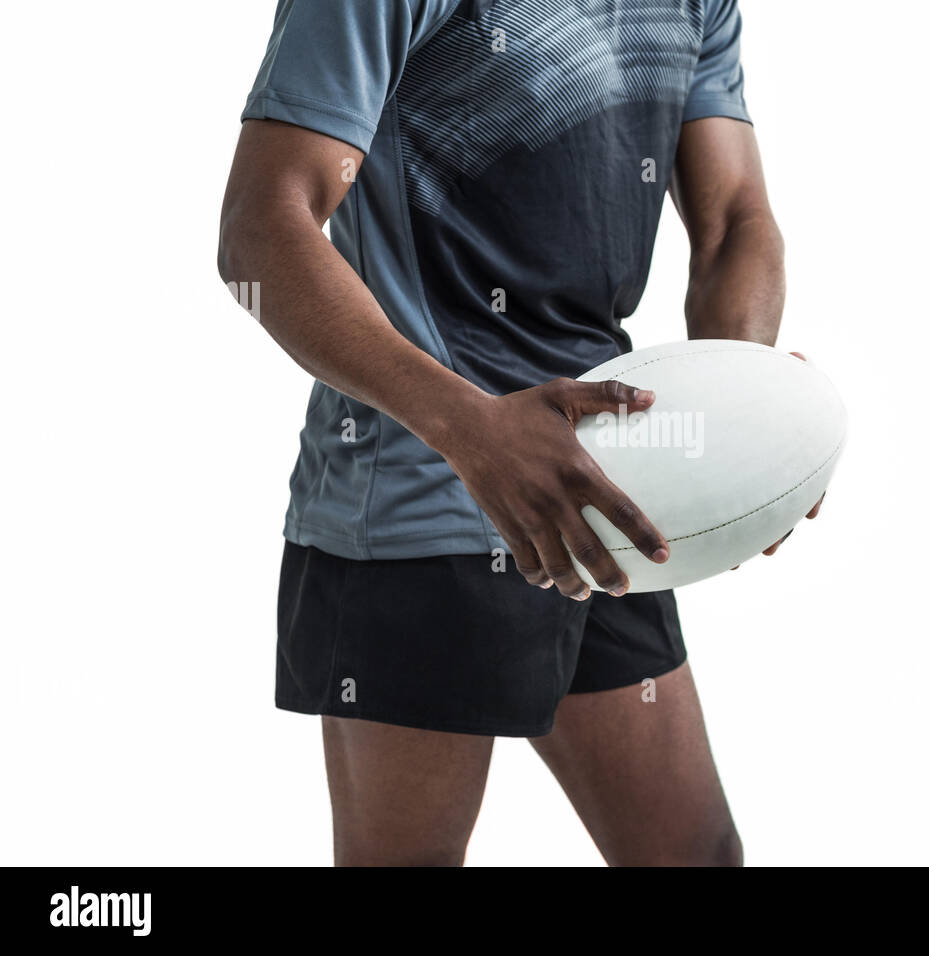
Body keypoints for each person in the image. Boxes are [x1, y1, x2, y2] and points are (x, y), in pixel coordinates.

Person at [218, 0, 820, 866]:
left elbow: (734, 222)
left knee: (696, 855)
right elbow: (259, 231)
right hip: (421, 496)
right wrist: (473, 431)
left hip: (607, 488)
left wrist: (744, 423)